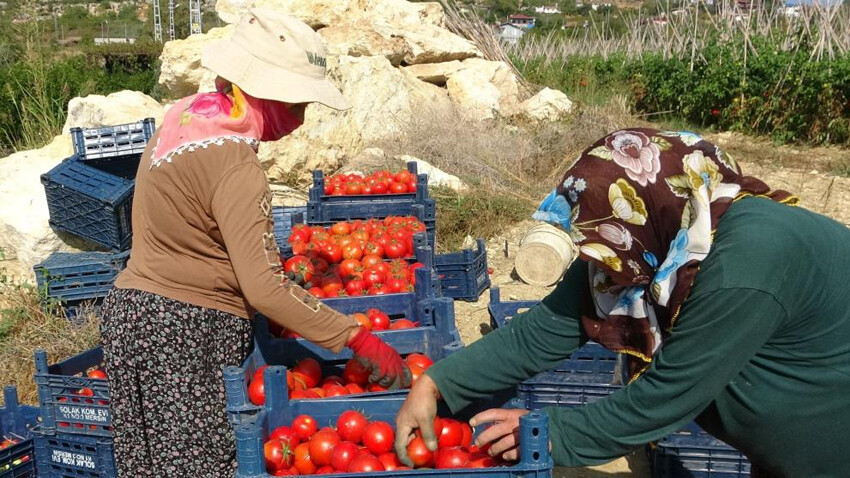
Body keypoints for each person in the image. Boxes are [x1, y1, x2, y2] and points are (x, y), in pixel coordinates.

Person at [395, 128, 850, 478]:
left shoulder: (746, 265)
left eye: (605, 242)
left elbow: (666, 397)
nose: (597, 262)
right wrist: (435, 384)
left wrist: (549, 432)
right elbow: (543, 330)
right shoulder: (646, 240)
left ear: (647, 208)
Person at [100, 9, 410, 477]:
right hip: (187, 334)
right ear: (265, 91)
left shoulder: (183, 116)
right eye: (297, 103)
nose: (302, 118)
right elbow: (263, 288)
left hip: (131, 317)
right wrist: (356, 337)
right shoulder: (238, 167)